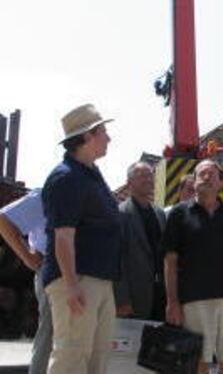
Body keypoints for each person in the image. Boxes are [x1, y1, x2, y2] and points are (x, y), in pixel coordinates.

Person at [41, 103, 121, 374]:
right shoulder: (66, 178)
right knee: (71, 357)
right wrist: (72, 285)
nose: (109, 137)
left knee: (96, 359)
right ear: (87, 136)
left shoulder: (89, 174)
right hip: (77, 280)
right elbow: (63, 237)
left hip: (97, 279)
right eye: (104, 131)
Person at [164, 159, 223, 374]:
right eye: (201, 174)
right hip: (195, 300)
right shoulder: (179, 214)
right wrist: (172, 302)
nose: (206, 177)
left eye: (211, 173)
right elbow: (170, 261)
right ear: (194, 182)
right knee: (199, 362)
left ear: (221, 182)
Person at [0, 188, 51, 374]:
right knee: (49, 333)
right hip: (50, 270)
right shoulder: (45, 194)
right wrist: (27, 258)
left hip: (76, 272)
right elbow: (4, 220)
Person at [114, 161, 166, 320]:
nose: (148, 180)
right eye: (142, 176)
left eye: (150, 175)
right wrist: (122, 300)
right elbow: (117, 260)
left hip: (159, 294)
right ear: (129, 182)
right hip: (134, 298)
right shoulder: (120, 214)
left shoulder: (159, 213)